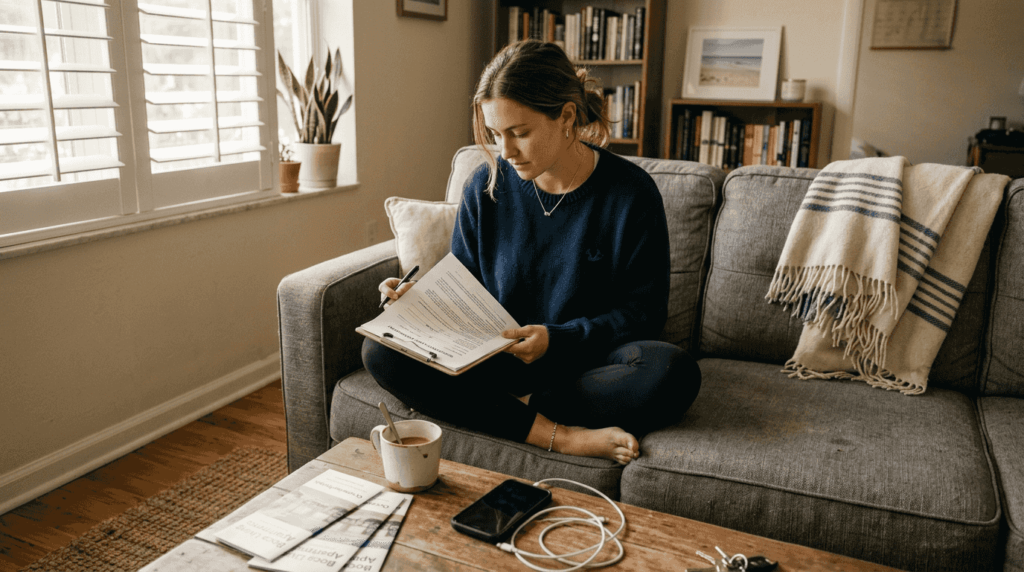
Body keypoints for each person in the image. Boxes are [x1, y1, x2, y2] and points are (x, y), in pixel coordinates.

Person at [362, 40, 701, 465]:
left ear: (567, 116)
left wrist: (556, 340)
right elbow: (465, 288)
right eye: (494, 135)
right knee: (379, 350)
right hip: (498, 357)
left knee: (671, 371)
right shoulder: (485, 187)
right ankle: (557, 436)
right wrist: (418, 301)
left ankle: (501, 406)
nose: (505, 151)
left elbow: (643, 314)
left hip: (584, 362)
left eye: (519, 133)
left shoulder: (631, 194)